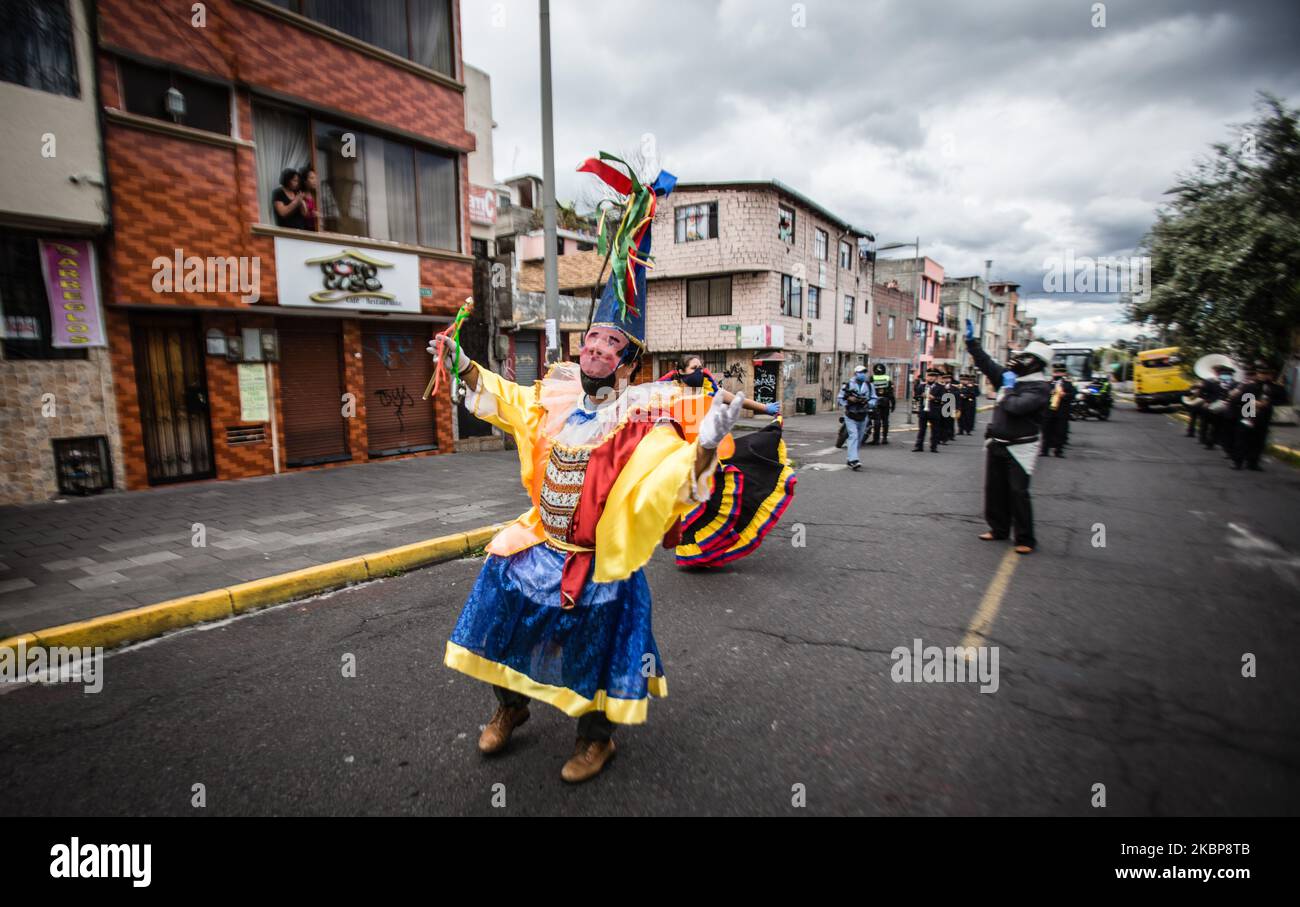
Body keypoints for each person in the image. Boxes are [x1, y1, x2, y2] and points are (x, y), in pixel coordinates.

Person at [433, 156, 742, 784]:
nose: (598, 350)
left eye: (612, 345)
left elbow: (669, 479)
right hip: (540, 542)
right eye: (593, 340)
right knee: (501, 600)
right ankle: (510, 708)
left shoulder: (642, 414)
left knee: (595, 642)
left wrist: (704, 443)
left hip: (597, 559)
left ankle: (596, 738)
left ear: (627, 362)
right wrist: (462, 363)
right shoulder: (555, 392)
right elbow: (507, 400)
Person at [661, 357, 796, 569]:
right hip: (684, 459)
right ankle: (693, 552)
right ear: (680, 371)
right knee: (690, 510)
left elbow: (738, 401)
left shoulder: (711, 392)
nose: (699, 371)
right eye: (694, 368)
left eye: (701, 367)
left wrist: (765, 408)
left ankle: (708, 553)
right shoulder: (667, 395)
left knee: (717, 505)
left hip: (715, 456)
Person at [964, 320, 1053, 554]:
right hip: (998, 443)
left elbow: (1015, 407)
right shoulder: (1008, 379)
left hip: (1021, 447)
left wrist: (1008, 389)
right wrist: (971, 342)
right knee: (994, 489)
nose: (1019, 360)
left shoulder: (1040, 388)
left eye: (1025, 357)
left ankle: (1025, 538)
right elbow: (985, 363)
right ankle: (998, 528)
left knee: (1017, 492)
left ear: (1036, 364)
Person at [1230, 360, 1289, 471]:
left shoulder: (1276, 388)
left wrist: (1268, 402)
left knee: (1258, 441)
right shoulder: (1249, 386)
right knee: (1242, 439)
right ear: (1257, 373)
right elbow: (1237, 400)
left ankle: (1253, 462)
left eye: (1266, 373)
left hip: (1263, 417)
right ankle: (1237, 461)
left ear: (1271, 374)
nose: (1263, 376)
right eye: (1261, 373)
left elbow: (1283, 400)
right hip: (1247, 414)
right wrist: (1251, 402)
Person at [838, 364, 875, 470]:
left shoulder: (869, 385)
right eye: (860, 372)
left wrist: (868, 403)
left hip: (863, 415)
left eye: (864, 372)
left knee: (859, 438)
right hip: (851, 414)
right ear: (855, 373)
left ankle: (851, 459)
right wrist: (849, 400)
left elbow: (874, 398)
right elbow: (840, 399)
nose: (863, 374)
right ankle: (854, 460)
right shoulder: (848, 385)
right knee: (853, 436)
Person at [1041, 363, 1075, 457]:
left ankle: (1058, 451)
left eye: (1060, 372)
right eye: (1056, 372)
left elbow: (1073, 395)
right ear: (1053, 373)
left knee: (1060, 431)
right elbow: (1042, 396)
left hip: (1062, 412)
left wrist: (1065, 395)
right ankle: (1044, 450)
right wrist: (1050, 393)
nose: (1058, 374)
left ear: (1064, 373)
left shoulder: (1068, 384)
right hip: (1049, 412)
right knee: (1046, 431)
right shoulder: (1048, 384)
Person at [912, 368, 944, 452]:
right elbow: (915, 398)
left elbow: (943, 399)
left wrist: (934, 398)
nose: (931, 378)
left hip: (934, 411)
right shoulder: (921, 386)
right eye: (929, 376)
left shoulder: (940, 387)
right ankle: (919, 446)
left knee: (935, 430)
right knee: (921, 429)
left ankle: (933, 447)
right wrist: (920, 396)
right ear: (926, 376)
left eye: (933, 376)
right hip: (923, 411)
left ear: (936, 378)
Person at [868, 363, 895, 444]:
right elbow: (891, 392)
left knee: (877, 420)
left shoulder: (872, 378)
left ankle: (876, 439)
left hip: (875, 401)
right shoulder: (887, 378)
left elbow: (868, 390)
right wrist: (893, 403)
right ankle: (884, 438)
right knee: (885, 420)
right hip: (885, 401)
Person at [299, 166, 322, 232]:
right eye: (312, 178)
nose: (315, 180)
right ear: (305, 181)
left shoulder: (316, 196)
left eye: (315, 178)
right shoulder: (301, 196)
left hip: (317, 231)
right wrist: (313, 214)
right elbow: (303, 214)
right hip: (306, 232)